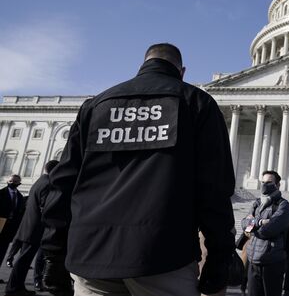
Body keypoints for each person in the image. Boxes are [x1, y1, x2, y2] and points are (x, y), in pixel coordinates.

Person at [40, 43, 236, 295]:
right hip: (162, 255)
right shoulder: (196, 103)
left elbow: (62, 184)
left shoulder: (97, 105)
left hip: (91, 252)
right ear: (182, 71)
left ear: (142, 65)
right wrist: (219, 258)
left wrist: (52, 255)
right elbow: (214, 188)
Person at [5, 160, 59, 296]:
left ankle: (16, 287)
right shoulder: (48, 184)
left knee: (23, 260)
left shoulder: (40, 181)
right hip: (35, 229)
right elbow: (45, 207)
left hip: (29, 227)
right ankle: (13, 289)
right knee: (23, 260)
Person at [242, 170, 289, 296]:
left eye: (269, 182)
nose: (264, 185)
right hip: (253, 261)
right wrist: (260, 222)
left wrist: (253, 224)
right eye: (263, 182)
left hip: (272, 261)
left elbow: (268, 230)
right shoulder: (257, 203)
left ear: (278, 185)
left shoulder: (283, 205)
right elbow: (245, 226)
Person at [0, 175, 26, 284]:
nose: (12, 183)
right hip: (0, 222)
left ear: (19, 183)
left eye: (15, 181)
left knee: (2, 252)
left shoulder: (20, 197)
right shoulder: (1, 193)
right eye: (10, 181)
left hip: (9, 228)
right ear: (7, 181)